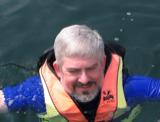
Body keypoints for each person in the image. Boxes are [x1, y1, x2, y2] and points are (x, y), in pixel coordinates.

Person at [0, 24, 160, 122]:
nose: (84, 79)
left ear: (103, 63)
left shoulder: (129, 89)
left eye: (91, 68)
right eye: (73, 71)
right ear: (58, 69)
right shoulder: (36, 94)